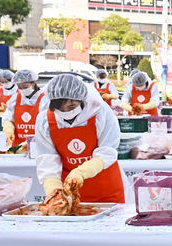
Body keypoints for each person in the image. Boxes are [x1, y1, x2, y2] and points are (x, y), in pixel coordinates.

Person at [34, 74, 124, 204]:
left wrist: (81, 173)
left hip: (105, 187)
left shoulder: (100, 112)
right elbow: (47, 160)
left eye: (71, 106)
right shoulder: (45, 121)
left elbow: (107, 152)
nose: (66, 112)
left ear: (82, 99)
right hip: (68, 190)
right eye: (60, 108)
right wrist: (54, 191)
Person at [3, 69, 46, 149]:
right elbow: (8, 118)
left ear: (33, 83)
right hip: (18, 147)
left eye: (25, 87)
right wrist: (9, 130)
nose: (22, 89)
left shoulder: (44, 100)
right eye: (19, 87)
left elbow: (47, 126)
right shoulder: (15, 99)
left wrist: (33, 140)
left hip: (38, 147)